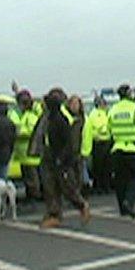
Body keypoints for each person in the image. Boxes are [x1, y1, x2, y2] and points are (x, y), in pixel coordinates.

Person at [39, 89, 90, 228]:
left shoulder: (60, 120)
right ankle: (54, 214)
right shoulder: (48, 119)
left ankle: (82, 206)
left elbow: (68, 143)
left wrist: (62, 159)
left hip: (61, 160)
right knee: (50, 188)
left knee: (67, 188)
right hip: (48, 157)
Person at [108, 83, 135, 219]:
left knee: (120, 180)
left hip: (117, 149)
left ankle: (122, 208)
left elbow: (109, 129)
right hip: (133, 149)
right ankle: (129, 202)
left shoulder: (113, 109)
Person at [14, 89, 42, 201]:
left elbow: (32, 131)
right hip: (24, 154)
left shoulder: (30, 116)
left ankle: (35, 196)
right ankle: (32, 194)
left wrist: (20, 133)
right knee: (29, 177)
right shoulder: (27, 115)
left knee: (32, 177)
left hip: (29, 153)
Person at [85, 97, 113, 194]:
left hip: (107, 142)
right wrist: (100, 133)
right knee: (98, 167)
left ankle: (107, 186)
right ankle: (99, 187)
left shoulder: (107, 113)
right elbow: (95, 128)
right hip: (98, 143)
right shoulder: (94, 114)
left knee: (107, 167)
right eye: (103, 103)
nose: (105, 105)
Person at [65, 95, 91, 193]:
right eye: (72, 104)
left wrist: (85, 150)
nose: (75, 106)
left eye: (77, 104)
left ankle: (83, 190)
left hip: (81, 150)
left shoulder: (84, 119)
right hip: (70, 151)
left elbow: (87, 135)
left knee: (81, 173)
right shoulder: (67, 118)